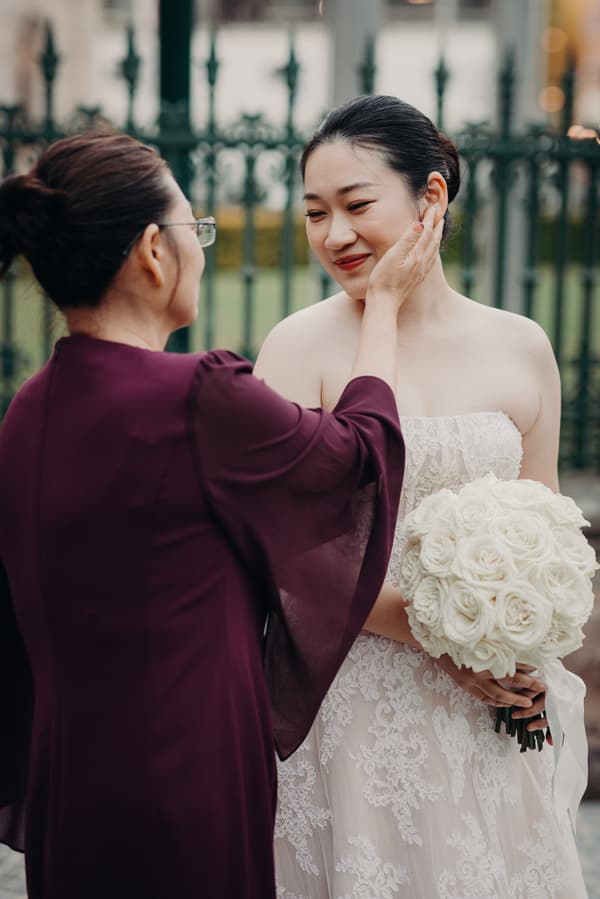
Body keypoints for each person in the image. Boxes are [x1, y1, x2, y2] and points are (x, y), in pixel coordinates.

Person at [0, 130, 443, 899]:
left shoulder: (28, 409)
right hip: (184, 782)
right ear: (152, 250)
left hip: (69, 786)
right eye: (194, 229)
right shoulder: (199, 396)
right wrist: (384, 308)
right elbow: (355, 460)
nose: (199, 249)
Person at [254, 95, 588, 898]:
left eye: (357, 205)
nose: (335, 234)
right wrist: (439, 635)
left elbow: (544, 529)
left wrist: (523, 644)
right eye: (314, 213)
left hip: (488, 701)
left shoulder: (522, 345)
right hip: (353, 702)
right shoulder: (298, 347)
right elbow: (281, 548)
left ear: (431, 197)